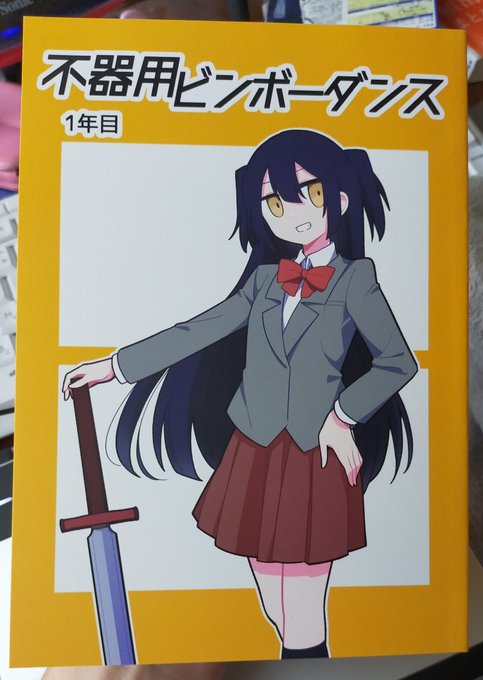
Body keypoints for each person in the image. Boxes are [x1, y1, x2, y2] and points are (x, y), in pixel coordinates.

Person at [63, 129, 418, 660]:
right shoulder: (267, 280)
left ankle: (307, 659)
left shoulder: (355, 279)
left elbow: (398, 362)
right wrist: (113, 368)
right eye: (274, 202)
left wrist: (342, 416)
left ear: (341, 199)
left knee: (301, 615)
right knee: (273, 602)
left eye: (309, 193)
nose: (292, 212)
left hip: (314, 451)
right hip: (254, 447)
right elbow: (198, 330)